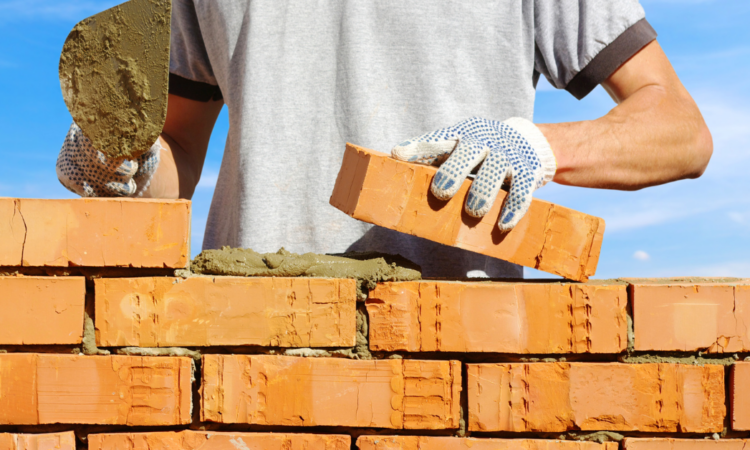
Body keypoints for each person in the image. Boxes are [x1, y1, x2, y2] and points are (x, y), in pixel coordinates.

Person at [57, 1, 712, 278]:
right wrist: (122, 163)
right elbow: (178, 145)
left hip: (460, 364)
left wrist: (537, 149)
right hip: (250, 349)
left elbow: (679, 131)